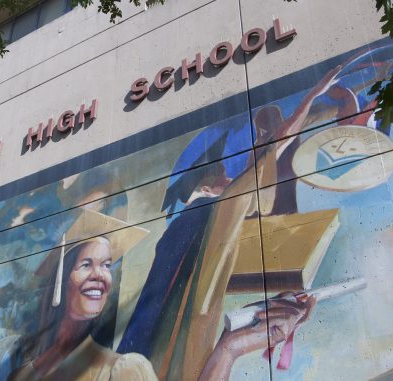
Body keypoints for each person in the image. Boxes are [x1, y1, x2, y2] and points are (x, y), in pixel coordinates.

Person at [119, 63, 343, 380]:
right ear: (206, 181)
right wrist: (312, 94)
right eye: (224, 172)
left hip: (145, 353)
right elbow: (277, 146)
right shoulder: (214, 210)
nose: (231, 177)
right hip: (177, 356)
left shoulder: (183, 227)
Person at [10, 209, 157, 381]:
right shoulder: (23, 376)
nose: (100, 275)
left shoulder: (124, 370)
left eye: (106, 265)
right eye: (86, 265)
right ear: (61, 280)